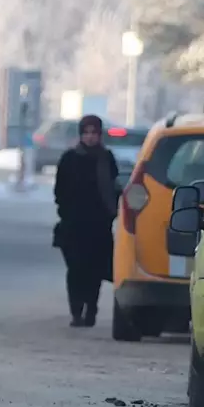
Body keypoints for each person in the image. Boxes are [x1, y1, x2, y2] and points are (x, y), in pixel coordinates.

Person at [53, 115, 119, 328]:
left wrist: (110, 213)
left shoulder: (106, 158)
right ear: (81, 135)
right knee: (76, 270)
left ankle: (91, 310)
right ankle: (76, 311)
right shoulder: (70, 158)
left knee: (95, 271)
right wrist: (67, 211)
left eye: (94, 133)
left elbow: (113, 187)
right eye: (87, 133)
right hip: (74, 226)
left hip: (99, 226)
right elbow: (60, 190)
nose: (90, 137)